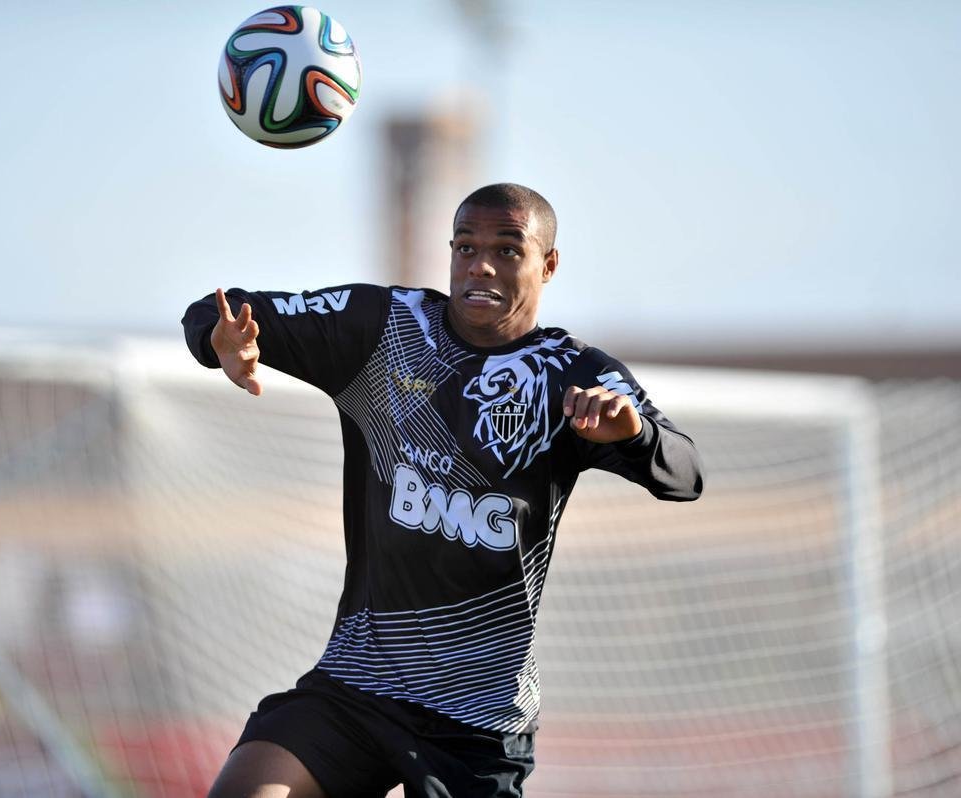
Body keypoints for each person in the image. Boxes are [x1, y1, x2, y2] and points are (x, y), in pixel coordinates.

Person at [182, 183, 703, 798]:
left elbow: (685, 474)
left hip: (478, 723)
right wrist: (221, 342)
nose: (479, 264)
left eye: (508, 250)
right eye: (464, 246)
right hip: (357, 685)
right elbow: (219, 310)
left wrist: (633, 433)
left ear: (549, 264)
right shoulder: (383, 328)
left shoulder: (575, 374)